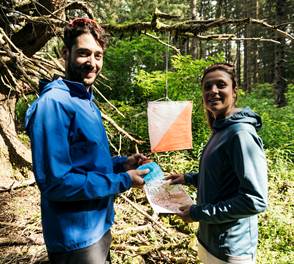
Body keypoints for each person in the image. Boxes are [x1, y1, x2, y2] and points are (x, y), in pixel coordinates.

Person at [25, 17, 149, 264]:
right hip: (75, 239)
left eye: (98, 55)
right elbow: (56, 183)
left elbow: (85, 162)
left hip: (99, 225)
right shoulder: (53, 105)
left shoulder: (84, 98)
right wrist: (123, 180)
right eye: (83, 53)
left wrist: (121, 164)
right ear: (65, 53)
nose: (92, 63)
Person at [166, 63, 268, 264]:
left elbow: (254, 200)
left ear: (234, 91)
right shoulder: (221, 129)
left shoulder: (241, 134)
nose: (213, 91)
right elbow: (222, 176)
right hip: (209, 242)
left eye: (221, 85)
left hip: (231, 250)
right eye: (207, 87)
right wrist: (187, 178)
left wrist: (199, 213)